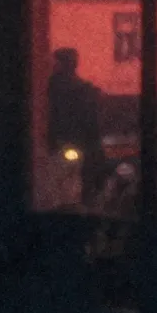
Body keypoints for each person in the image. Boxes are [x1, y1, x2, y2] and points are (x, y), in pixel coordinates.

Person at [45, 47, 105, 205]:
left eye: (56, 62)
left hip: (68, 142)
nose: (53, 66)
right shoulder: (80, 89)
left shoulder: (60, 87)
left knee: (66, 181)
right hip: (74, 143)